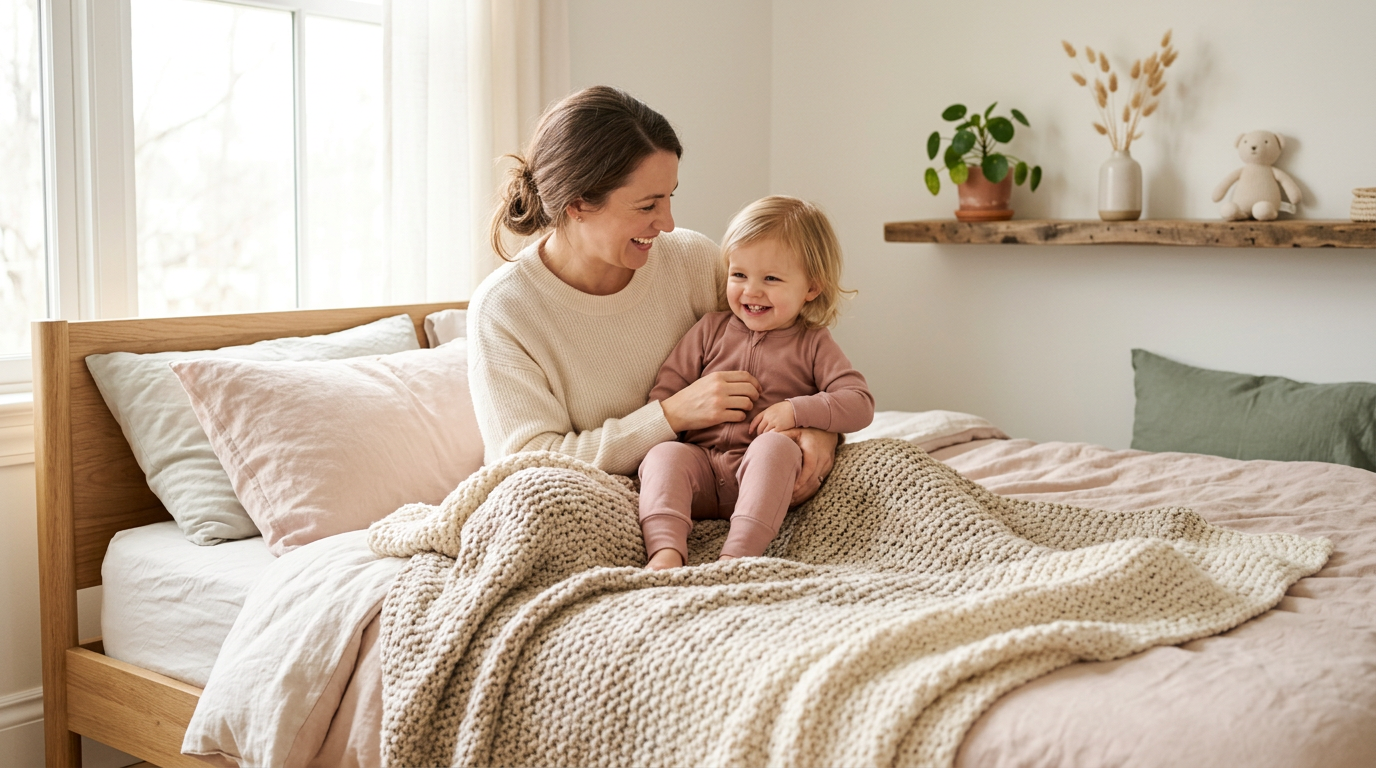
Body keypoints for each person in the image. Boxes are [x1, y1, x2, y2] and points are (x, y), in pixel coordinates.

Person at [470, 86, 841, 516]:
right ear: (577, 204)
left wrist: (819, 431)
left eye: (670, 197)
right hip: (597, 510)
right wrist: (670, 416)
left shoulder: (693, 260)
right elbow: (529, 466)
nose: (667, 223)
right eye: (647, 205)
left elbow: (794, 359)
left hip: (728, 491)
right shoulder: (505, 310)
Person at [637, 196, 874, 570]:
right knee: (662, 456)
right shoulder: (708, 330)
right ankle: (666, 551)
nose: (751, 291)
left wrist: (796, 410)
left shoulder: (812, 342)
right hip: (701, 468)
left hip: (763, 479)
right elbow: (666, 393)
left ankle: (738, 556)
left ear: (811, 287)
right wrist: (677, 427)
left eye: (772, 279)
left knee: (774, 449)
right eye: (739, 275)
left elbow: (859, 403)